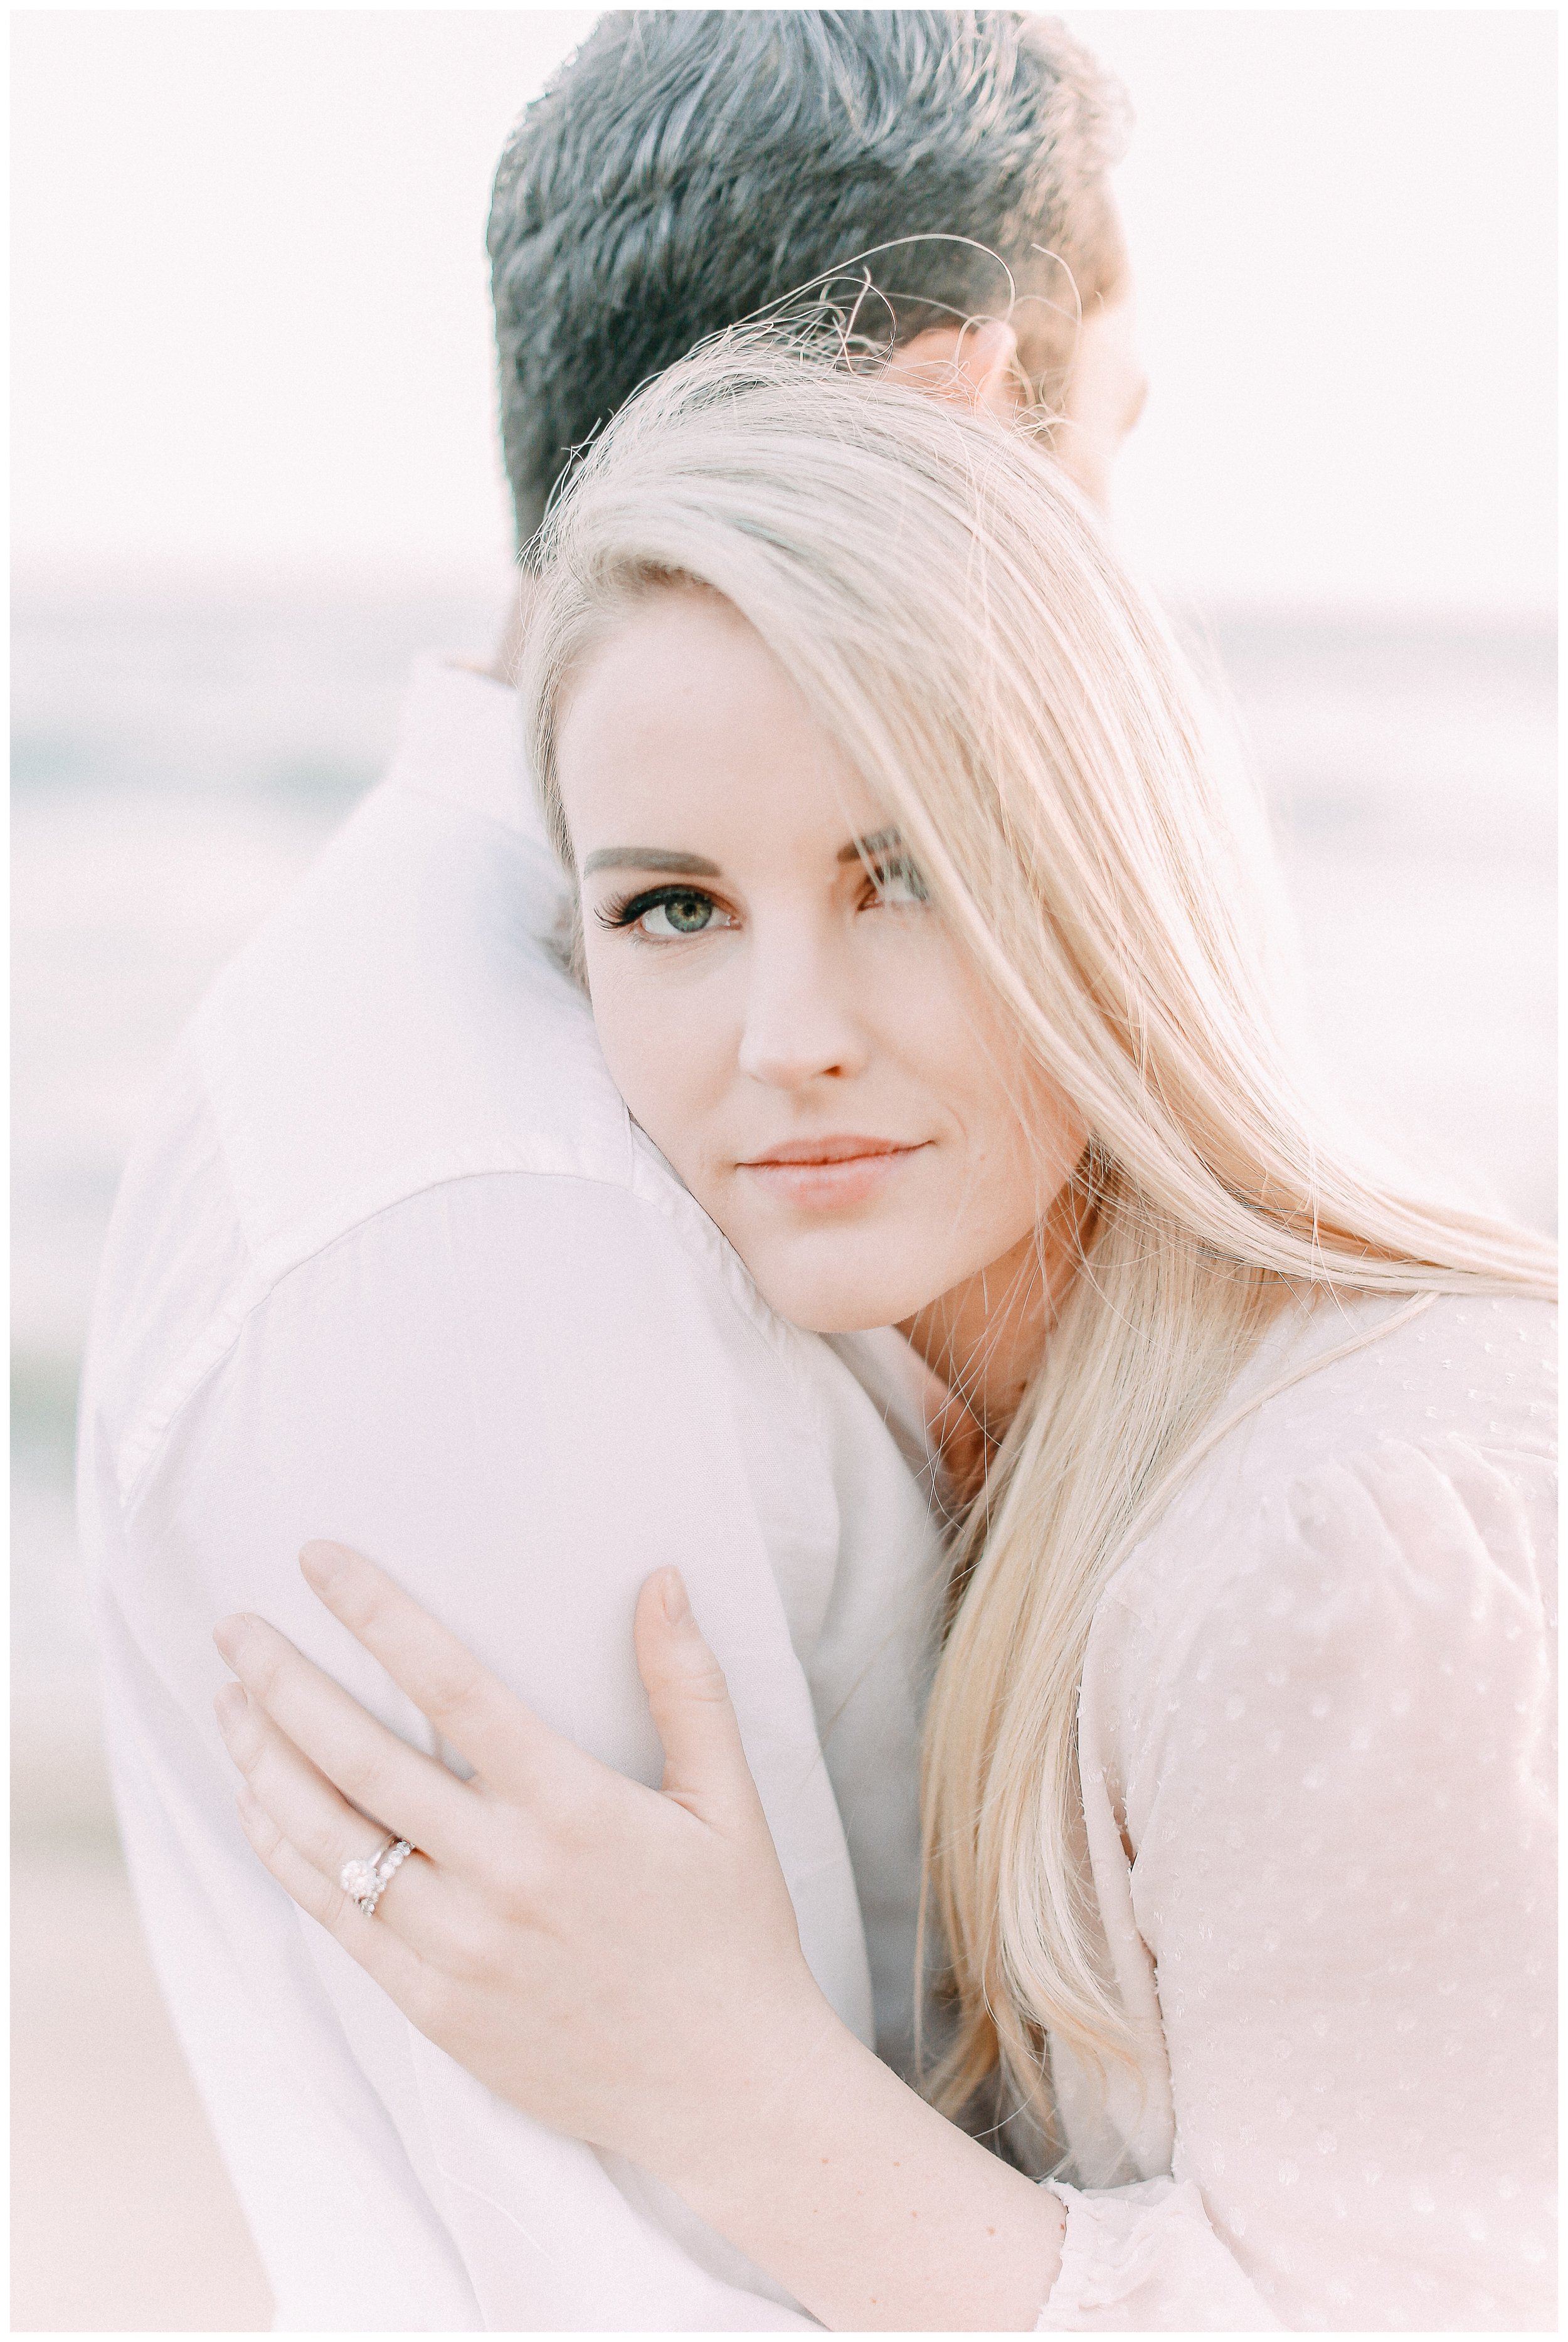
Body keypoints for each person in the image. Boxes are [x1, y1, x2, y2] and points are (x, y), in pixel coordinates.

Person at [211, 334, 1556, 2332]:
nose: (785, 1037)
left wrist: (722, 2080)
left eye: (900, 873)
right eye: (673, 908)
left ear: (1106, 875)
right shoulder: (986, 1432)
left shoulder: (1333, 1535)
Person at [76, 13, 1147, 2329]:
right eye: (1123, 450)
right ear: (974, 420)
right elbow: (655, 2271)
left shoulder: (606, 1079)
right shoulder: (507, 1202)